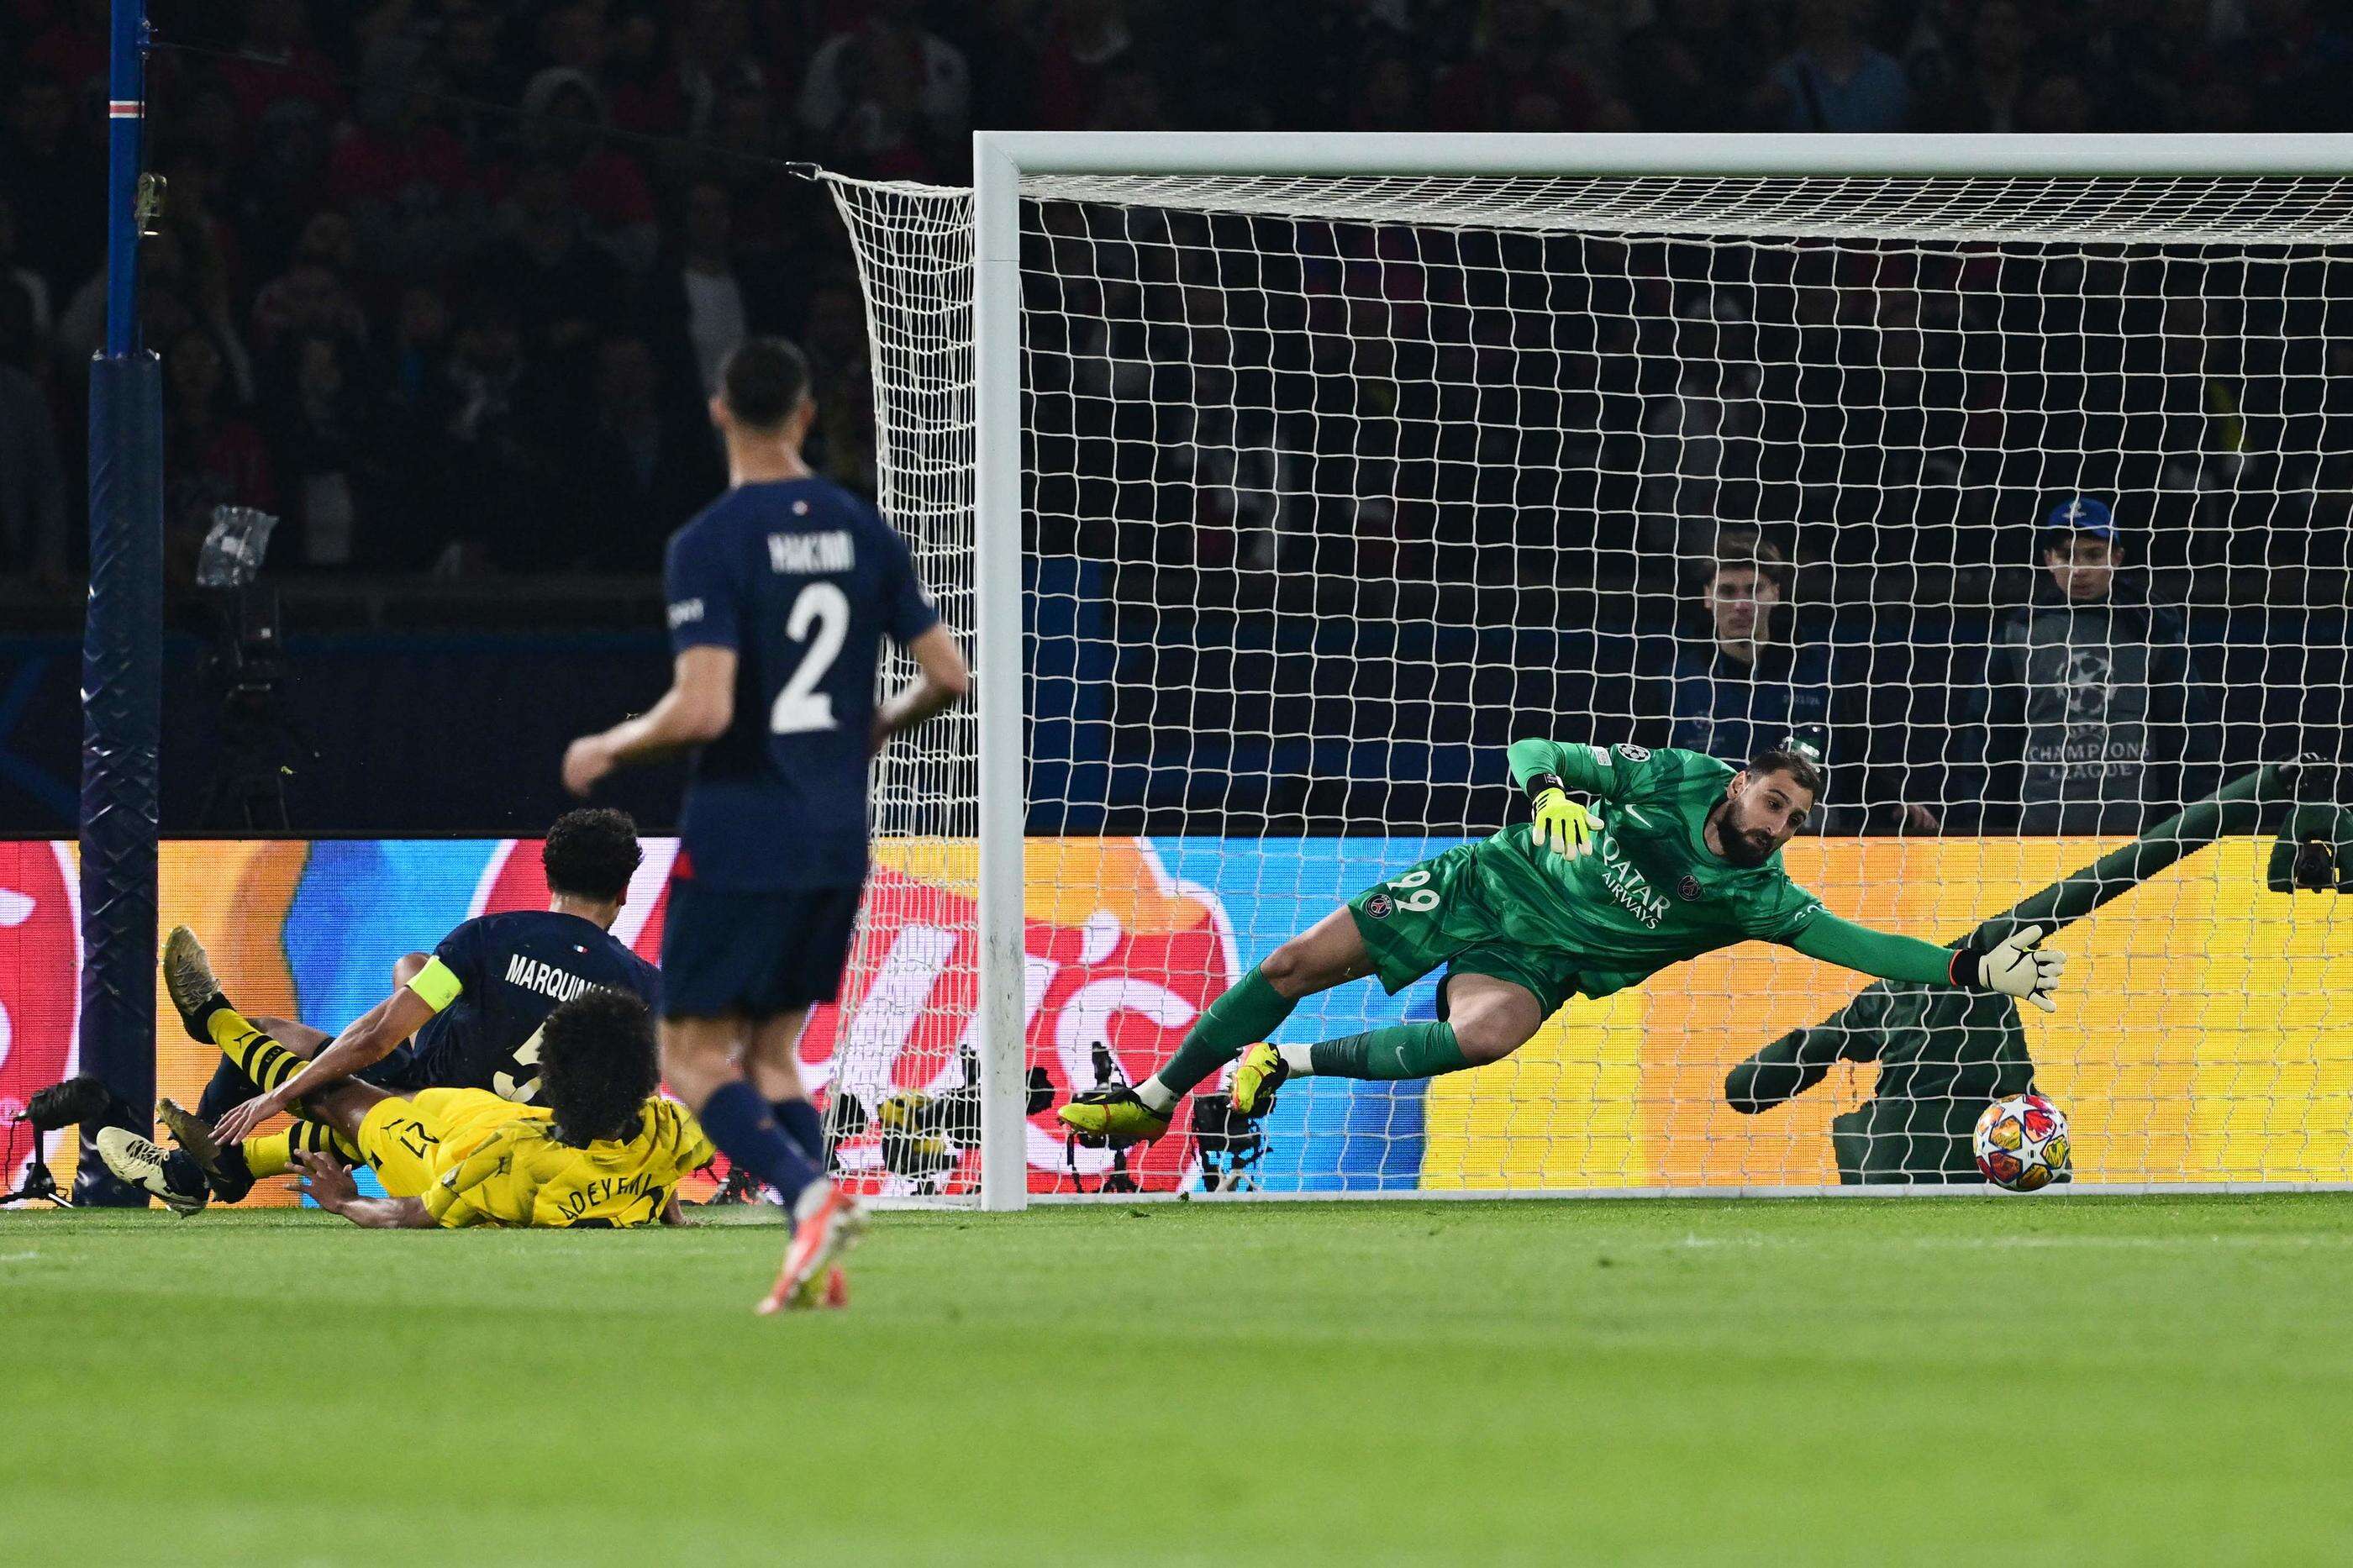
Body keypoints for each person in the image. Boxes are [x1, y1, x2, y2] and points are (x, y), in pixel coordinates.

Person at [1060, 739, 2064, 1150]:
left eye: (1794, 819)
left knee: (1489, 1035)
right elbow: (1537, 750)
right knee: (1286, 966)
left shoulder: (1758, 895)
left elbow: (1860, 944)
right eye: (1771, 802)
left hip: (1535, 963)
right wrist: (1549, 796)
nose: (1777, 824)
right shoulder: (1675, 774)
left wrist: (1965, 967)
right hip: (1480, 885)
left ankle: (1283, 1062)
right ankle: (1150, 1103)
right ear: (1735, 787)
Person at [561, 336, 970, 1313]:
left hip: (744, 825)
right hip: (835, 829)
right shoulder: (863, 530)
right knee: (776, 1055)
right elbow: (949, 676)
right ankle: (813, 1250)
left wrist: (611, 749)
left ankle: (810, 1193)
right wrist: (873, 727)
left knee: (695, 1058)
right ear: (806, 414)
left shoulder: (709, 541)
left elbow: (703, 711)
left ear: (716, 413)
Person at [186, 808, 661, 1203]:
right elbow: (640, 1108)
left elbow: (374, 1039)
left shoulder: (488, 937)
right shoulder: (646, 987)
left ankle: (211, 1029)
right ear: (624, 890)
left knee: (285, 1045)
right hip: (536, 1159)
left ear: (547, 873)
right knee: (412, 968)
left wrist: (277, 1097)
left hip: (431, 1125)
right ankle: (223, 1166)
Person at [98, 989, 719, 1235]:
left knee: (333, 1096)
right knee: (347, 1103)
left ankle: (214, 1019)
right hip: (480, 1112)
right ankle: (220, 1170)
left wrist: (342, 1201)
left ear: (553, 1080)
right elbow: (664, 1169)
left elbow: (409, 1215)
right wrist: (675, 1222)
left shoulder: (502, 1164)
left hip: (432, 1148)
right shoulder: (671, 1128)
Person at [1987, 497, 2214, 834]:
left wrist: (2179, 828)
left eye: (2093, 555)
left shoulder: (2153, 629)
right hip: (2038, 838)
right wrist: (1991, 828)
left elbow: (2189, 737)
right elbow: (1990, 738)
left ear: (2116, 557)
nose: (2079, 569)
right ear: (2048, 560)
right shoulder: (2020, 634)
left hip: (2139, 839)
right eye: (2066, 555)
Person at [1666, 555, 1940, 834]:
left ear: (1775, 593)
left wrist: (1893, 800)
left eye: (1754, 590)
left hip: (1806, 841)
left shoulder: (1821, 672)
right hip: (1704, 841)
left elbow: (1859, 749)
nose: (1741, 604)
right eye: (1727, 591)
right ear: (1707, 597)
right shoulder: (1676, 681)